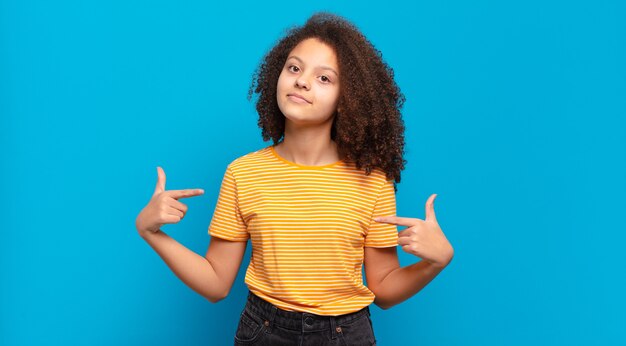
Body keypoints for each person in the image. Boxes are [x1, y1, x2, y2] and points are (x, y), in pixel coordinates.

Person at [135, 12, 454, 346]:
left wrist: (435, 262)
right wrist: (151, 232)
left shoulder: (373, 182)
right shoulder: (243, 173)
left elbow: (384, 290)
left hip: (346, 336)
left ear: (348, 99)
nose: (302, 81)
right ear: (278, 74)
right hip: (264, 331)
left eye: (324, 78)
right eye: (294, 68)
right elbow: (216, 283)